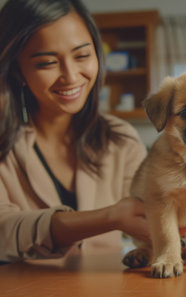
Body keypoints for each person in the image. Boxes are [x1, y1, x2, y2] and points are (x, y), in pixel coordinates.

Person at [0, 0, 150, 262]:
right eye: (47, 62)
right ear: (18, 70)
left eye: (82, 56)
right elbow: (4, 231)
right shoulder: (4, 143)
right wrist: (110, 217)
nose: (70, 76)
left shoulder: (120, 139)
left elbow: (148, 217)